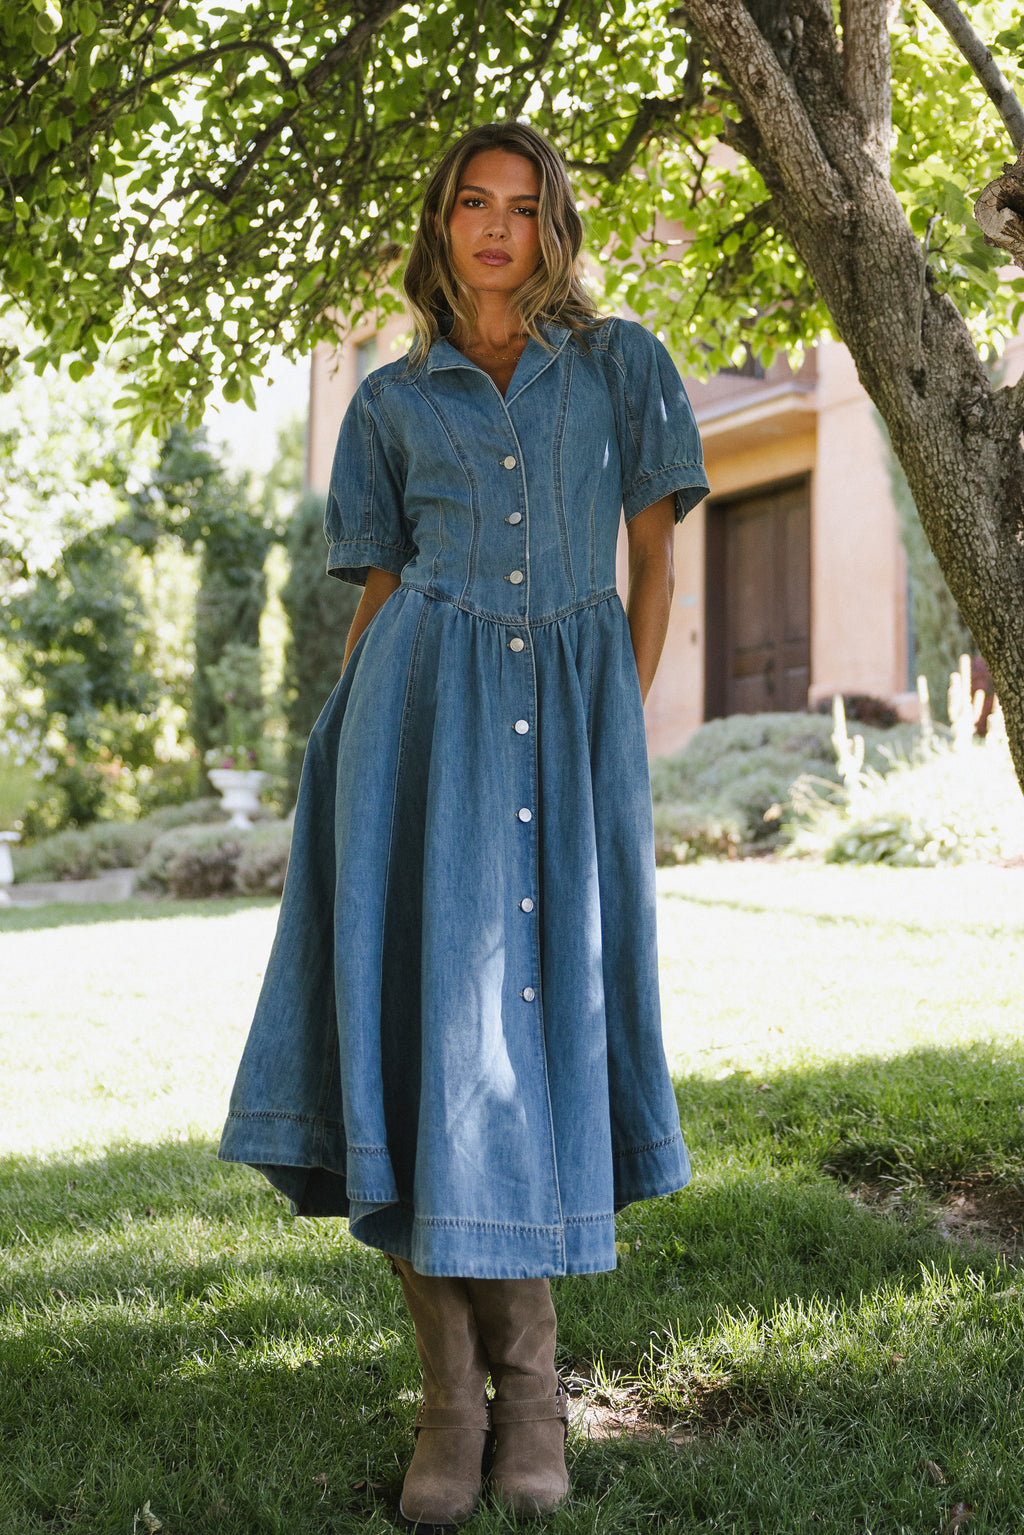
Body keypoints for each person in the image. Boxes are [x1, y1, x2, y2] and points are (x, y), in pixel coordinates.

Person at [219, 121, 709, 1526]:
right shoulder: (387, 403)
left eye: (523, 206)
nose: (497, 229)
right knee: (415, 1030)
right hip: (409, 726)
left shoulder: (624, 367)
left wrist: (619, 708)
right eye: (471, 206)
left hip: (567, 712)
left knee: (533, 1030)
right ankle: (451, 1393)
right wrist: (334, 743)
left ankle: (535, 1388)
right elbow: (377, 596)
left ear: (555, 225)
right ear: (440, 229)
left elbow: (658, 552)